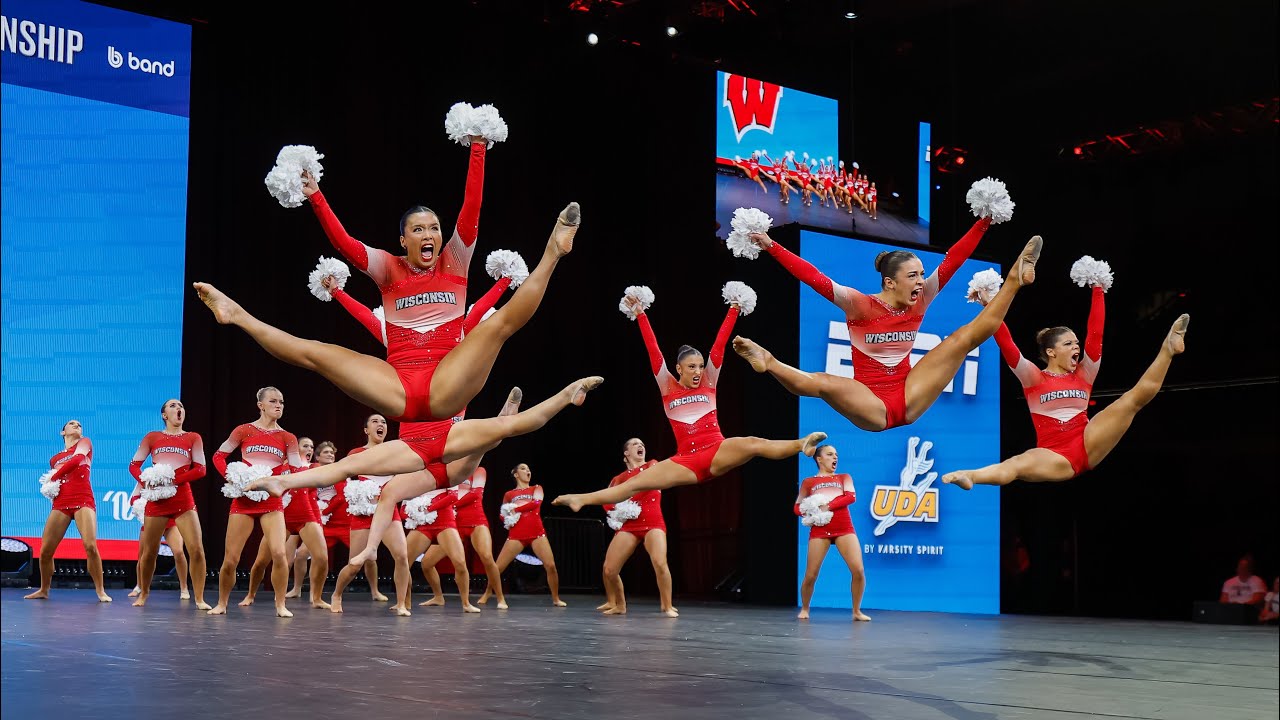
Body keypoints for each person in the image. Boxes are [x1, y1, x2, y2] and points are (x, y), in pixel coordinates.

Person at [193, 136, 582, 425]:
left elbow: (471, 208)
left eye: (434, 228)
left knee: (498, 324)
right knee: (316, 354)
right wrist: (315, 195)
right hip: (398, 389)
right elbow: (344, 243)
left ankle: (553, 251)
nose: (428, 235)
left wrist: (477, 145)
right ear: (403, 239)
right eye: (418, 229)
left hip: (447, 382)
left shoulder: (456, 259)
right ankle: (237, 314)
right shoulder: (387, 268)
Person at [730, 212, 1040, 432]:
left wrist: (985, 220)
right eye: (913, 276)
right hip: (872, 406)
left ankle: (1014, 279)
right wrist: (770, 245)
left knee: (962, 339)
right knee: (822, 383)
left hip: (909, 394)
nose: (921, 281)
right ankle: (768, 361)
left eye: (922, 273)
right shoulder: (859, 304)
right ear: (890, 283)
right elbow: (812, 276)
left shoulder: (921, 297)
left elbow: (953, 260)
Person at [553, 286, 825, 511]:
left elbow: (719, 345)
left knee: (754, 443)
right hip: (685, 461)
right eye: (691, 367)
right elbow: (653, 350)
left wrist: (733, 308)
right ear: (679, 368)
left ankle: (802, 444)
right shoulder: (667, 386)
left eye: (699, 366)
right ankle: (581, 499)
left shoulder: (709, 381)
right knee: (634, 484)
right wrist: (640, 314)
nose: (697, 371)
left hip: (716, 450)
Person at [943, 268, 1190, 487]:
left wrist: (1097, 287)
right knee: (1018, 464)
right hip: (1054, 455)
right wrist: (988, 305)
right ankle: (971, 475)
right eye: (1069, 343)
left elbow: (1096, 333)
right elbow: (1007, 344)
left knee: (1131, 400)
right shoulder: (1033, 377)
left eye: (1077, 343)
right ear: (1051, 352)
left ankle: (1168, 350)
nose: (1076, 348)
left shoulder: (1085, 372)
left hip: (1088, 440)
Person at [208, 387, 305, 617]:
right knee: (231, 559)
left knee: (280, 554)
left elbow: (296, 470)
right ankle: (222, 603)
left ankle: (280, 604)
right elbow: (218, 457)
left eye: (281, 401)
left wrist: (279, 478)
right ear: (260, 404)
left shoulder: (288, 438)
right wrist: (234, 478)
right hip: (243, 500)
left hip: (271, 502)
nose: (278, 405)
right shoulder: (244, 430)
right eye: (273, 401)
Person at [127, 399, 209, 608]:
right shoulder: (152, 437)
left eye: (181, 406)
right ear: (164, 415)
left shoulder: (193, 438)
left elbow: (200, 469)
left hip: (183, 499)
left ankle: (198, 598)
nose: (178, 408)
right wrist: (146, 480)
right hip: (157, 502)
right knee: (149, 552)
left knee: (196, 549)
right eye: (173, 406)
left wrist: (172, 480)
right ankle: (143, 593)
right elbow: (134, 465)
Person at [24, 420, 111, 602]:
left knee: (90, 545)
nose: (77, 426)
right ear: (62, 432)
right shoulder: (54, 459)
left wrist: (54, 476)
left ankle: (101, 591)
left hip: (83, 499)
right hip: (61, 503)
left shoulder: (85, 443)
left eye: (79, 424)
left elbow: (78, 460)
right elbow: (57, 484)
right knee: (46, 550)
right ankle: (44, 589)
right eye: (72, 424)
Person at [596, 438, 677, 617]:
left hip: (653, 521)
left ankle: (667, 605)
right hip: (630, 524)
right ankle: (619, 605)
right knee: (609, 569)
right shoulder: (618, 479)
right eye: (635, 444)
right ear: (626, 453)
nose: (641, 446)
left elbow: (646, 484)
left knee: (659, 562)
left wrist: (626, 498)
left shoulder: (652, 465)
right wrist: (620, 509)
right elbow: (607, 500)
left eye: (642, 444)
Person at [794, 444, 869, 622]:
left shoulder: (844, 477)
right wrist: (810, 511)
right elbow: (797, 508)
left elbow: (851, 497)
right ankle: (805, 608)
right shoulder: (808, 482)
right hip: (819, 531)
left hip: (844, 528)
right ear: (819, 459)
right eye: (829, 454)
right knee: (811, 575)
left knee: (858, 570)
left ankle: (856, 611)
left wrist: (827, 505)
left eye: (836, 454)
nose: (835, 457)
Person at [476, 464, 566, 607]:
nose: (528, 471)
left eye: (529, 469)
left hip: (536, 532)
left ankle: (555, 598)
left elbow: (536, 504)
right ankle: (487, 593)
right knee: (497, 568)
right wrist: (505, 517)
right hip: (516, 534)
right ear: (516, 474)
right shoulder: (509, 494)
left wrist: (515, 508)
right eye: (523, 468)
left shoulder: (536, 488)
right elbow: (502, 513)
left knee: (550, 565)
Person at [403, 480, 481, 613]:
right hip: (422, 524)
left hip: (445, 521)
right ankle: (405, 603)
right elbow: (403, 509)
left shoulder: (449, 473)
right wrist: (415, 512)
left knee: (460, 563)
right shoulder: (414, 476)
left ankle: (466, 604)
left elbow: (452, 496)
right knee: (403, 562)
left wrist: (429, 508)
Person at [454, 468, 508, 609]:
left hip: (476, 519)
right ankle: (438, 596)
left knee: (487, 557)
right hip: (454, 521)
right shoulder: (453, 471)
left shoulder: (479, 470)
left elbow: (475, 494)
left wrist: (452, 504)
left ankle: (500, 598)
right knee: (428, 562)